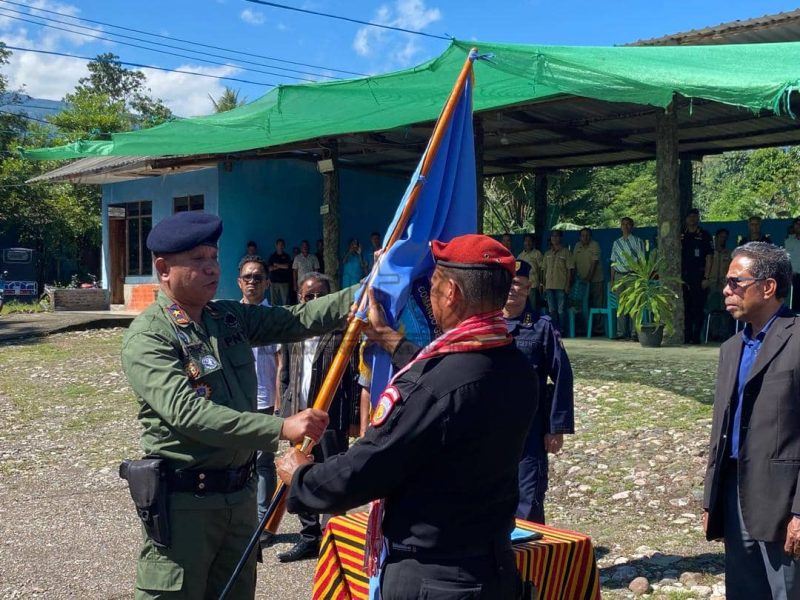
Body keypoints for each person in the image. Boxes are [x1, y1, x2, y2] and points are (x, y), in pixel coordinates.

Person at [276, 234, 538, 599]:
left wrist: (303, 476)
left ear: (452, 295)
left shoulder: (433, 387)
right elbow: (449, 382)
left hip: (437, 577)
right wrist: (387, 337)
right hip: (495, 566)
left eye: (433, 286)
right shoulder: (516, 367)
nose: (429, 298)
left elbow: (367, 468)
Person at [120, 211, 356, 600]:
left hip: (239, 497)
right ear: (163, 268)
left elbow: (299, 319)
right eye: (197, 260)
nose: (211, 268)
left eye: (213, 257)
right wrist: (280, 427)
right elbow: (187, 412)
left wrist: (372, 285)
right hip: (186, 506)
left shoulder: (227, 318)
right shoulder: (150, 336)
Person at [703, 242, 800, 600]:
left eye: (735, 282)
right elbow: (721, 427)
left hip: (783, 502)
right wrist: (711, 499)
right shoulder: (732, 348)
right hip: (735, 493)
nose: (726, 290)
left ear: (768, 287)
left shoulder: (797, 339)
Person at [277, 272, 360, 563]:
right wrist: (284, 411)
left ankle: (334, 538)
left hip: (330, 418)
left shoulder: (343, 330)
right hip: (298, 417)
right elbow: (285, 372)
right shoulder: (294, 328)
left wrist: (353, 418)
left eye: (319, 295)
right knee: (297, 474)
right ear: (300, 298)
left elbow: (353, 377)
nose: (313, 300)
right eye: (307, 296)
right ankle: (309, 536)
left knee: (332, 476)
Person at [505, 260, 574, 522]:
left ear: (528, 288)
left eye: (519, 284)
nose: (513, 289)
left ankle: (531, 557)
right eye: (509, 283)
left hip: (529, 426)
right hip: (492, 427)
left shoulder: (542, 326)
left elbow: (562, 376)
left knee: (528, 495)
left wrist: (556, 427)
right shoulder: (486, 325)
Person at [236, 255, 281, 550]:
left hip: (265, 401)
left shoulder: (274, 317)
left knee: (264, 463)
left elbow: (280, 363)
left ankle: (264, 524)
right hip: (236, 402)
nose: (252, 282)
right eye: (247, 277)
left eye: (257, 277)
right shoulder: (228, 318)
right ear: (239, 282)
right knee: (238, 461)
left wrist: (279, 402)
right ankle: (239, 521)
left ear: (266, 282)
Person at [610, 216, 646, 340]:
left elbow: (642, 261)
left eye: (628, 224)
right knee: (621, 305)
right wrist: (613, 280)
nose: (625, 226)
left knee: (633, 304)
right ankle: (621, 333)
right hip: (619, 276)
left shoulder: (638, 241)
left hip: (632, 275)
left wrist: (641, 278)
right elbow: (613, 263)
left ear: (632, 226)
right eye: (623, 224)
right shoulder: (616, 243)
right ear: (620, 227)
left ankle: (634, 333)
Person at [681, 208, 713, 344]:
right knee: (685, 308)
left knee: (698, 308)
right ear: (686, 219)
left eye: (695, 216)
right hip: (683, 276)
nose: (693, 219)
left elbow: (709, 257)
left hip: (699, 276)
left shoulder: (705, 235)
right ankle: (686, 335)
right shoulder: (681, 234)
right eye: (690, 216)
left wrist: (706, 277)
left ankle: (696, 336)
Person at [541, 230, 574, 330]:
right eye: (553, 236)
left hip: (561, 286)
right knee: (551, 310)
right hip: (549, 286)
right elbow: (543, 270)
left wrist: (568, 285)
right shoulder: (547, 253)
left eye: (557, 236)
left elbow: (570, 269)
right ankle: (554, 330)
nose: (554, 238)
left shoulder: (566, 252)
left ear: (560, 238)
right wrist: (543, 284)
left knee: (561, 310)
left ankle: (562, 330)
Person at [573, 227, 604, 333]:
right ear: (579, 237)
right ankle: (583, 328)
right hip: (581, 282)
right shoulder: (577, 246)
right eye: (582, 235)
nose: (585, 237)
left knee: (597, 304)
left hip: (596, 280)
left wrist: (588, 278)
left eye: (587, 235)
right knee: (581, 305)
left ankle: (598, 329)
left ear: (590, 236)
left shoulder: (595, 245)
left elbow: (594, 263)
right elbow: (574, 264)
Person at [517, 233, 543, 308]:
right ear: (523, 242)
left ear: (533, 243)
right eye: (526, 241)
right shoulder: (520, 256)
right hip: (523, 287)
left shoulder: (537, 254)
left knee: (533, 307)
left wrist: (541, 283)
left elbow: (542, 269)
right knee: (523, 307)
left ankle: (533, 320)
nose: (528, 243)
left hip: (533, 285)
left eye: (530, 241)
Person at [267, 238, 292, 305]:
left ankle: (285, 314)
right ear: (276, 245)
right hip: (274, 282)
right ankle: (274, 315)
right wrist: (281, 266)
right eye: (279, 245)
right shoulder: (272, 256)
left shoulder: (286, 256)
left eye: (282, 245)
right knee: (274, 302)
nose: (281, 246)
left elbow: (287, 266)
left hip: (284, 282)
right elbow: (269, 268)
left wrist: (276, 265)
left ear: (284, 246)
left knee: (285, 301)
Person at [784, 217, 800, 311]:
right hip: (792, 277)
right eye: (797, 224)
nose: (799, 226)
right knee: (791, 305)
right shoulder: (788, 241)